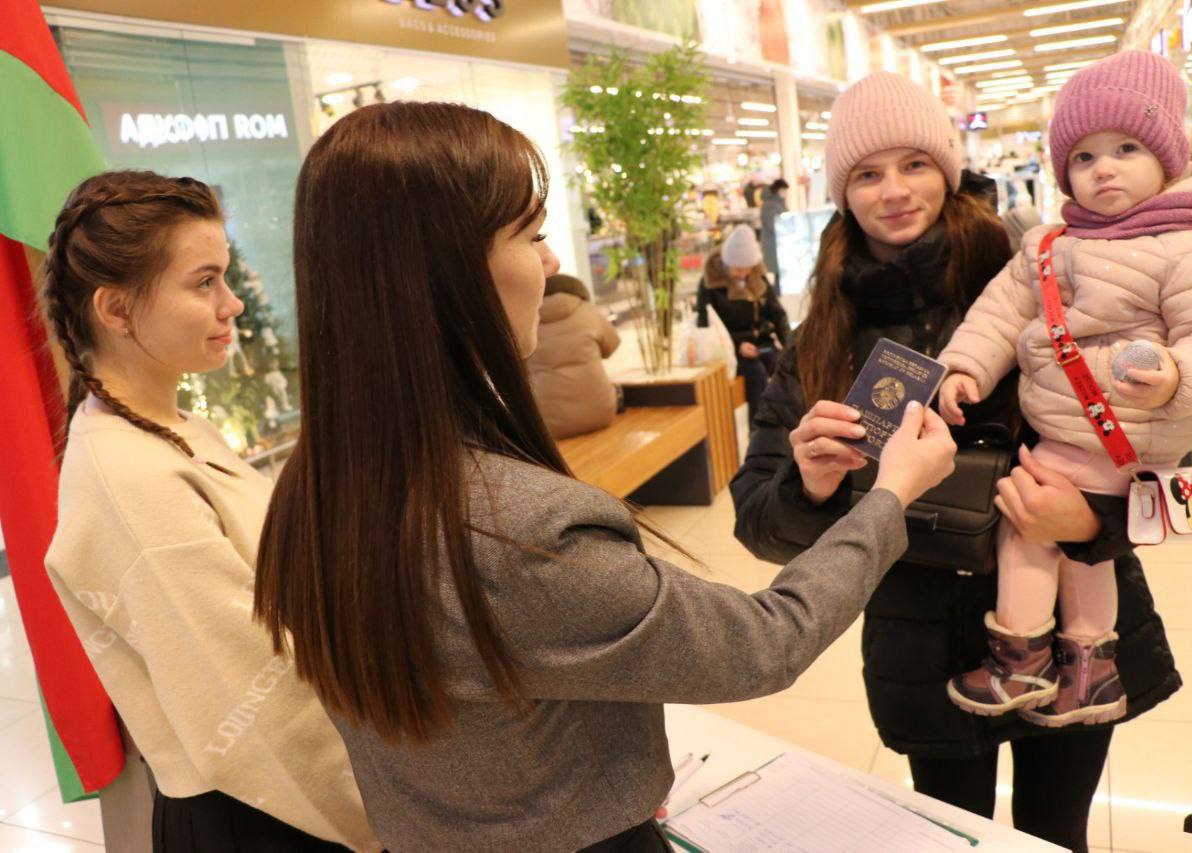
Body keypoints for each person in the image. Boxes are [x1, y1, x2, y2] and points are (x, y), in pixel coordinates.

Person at [250, 100, 958, 853]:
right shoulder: (522, 531)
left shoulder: (317, 487)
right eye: (531, 235)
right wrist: (888, 494)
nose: (552, 262)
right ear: (443, 269)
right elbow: (764, 641)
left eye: (915, 165)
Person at [731, 72, 1182, 853]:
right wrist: (811, 484)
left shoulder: (1042, 278)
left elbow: (1155, 450)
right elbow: (757, 523)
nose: (893, 191)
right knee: (953, 839)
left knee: (1056, 835)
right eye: (866, 174)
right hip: (921, 645)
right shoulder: (823, 334)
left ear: (946, 167)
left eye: (914, 164)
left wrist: (1089, 522)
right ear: (841, 193)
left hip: (1073, 632)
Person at [41, 170, 380, 852]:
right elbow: (260, 710)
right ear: (116, 309)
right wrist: (385, 820)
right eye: (204, 283)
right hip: (273, 814)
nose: (233, 303)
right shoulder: (132, 480)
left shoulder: (168, 424)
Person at [937, 51, 1192, 726]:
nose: (1103, 168)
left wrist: (1178, 374)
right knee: (1078, 552)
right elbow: (999, 314)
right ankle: (1091, 671)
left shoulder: (1190, 246)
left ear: (1168, 159)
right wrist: (966, 366)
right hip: (1071, 428)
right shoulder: (1049, 246)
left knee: (1026, 523)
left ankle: (1019, 660)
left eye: (1126, 148)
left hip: (1131, 428)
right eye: (1083, 157)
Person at [696, 224, 791, 420]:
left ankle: (785, 424)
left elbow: (776, 312)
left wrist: (790, 344)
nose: (742, 273)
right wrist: (738, 344)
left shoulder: (758, 277)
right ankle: (759, 428)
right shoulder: (709, 283)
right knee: (755, 372)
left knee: (784, 366)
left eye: (746, 268)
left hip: (761, 344)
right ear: (726, 262)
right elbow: (705, 327)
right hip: (729, 350)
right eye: (737, 268)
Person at [527, 273, 621, 439]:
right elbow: (612, 346)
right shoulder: (588, 311)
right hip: (602, 413)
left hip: (549, 425)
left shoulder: (526, 322)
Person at [760, 177, 790, 285]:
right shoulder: (769, 205)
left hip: (778, 242)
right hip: (773, 244)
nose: (785, 193)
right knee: (777, 273)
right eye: (784, 190)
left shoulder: (778, 202)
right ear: (778, 190)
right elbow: (773, 225)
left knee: (780, 273)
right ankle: (777, 292)